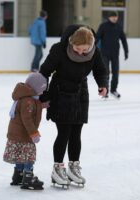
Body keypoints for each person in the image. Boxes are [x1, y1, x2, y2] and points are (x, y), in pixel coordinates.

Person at [39, 25, 108, 188]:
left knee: (76, 133)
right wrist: (43, 94)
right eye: (77, 48)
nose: (79, 52)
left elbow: (101, 70)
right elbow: (44, 71)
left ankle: (73, 167)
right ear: (71, 42)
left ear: (90, 45)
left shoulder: (94, 52)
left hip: (80, 93)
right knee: (64, 133)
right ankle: (57, 168)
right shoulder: (59, 49)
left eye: (84, 49)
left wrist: (103, 84)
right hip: (60, 93)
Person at [3, 72, 48, 190]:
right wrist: (34, 133)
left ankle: (18, 175)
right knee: (29, 155)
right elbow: (27, 118)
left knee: (20, 155)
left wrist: (42, 105)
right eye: (42, 89)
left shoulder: (27, 98)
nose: (43, 92)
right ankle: (28, 177)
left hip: (16, 133)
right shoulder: (28, 101)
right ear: (35, 88)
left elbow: (31, 108)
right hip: (24, 134)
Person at [96, 11, 128, 99]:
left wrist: (126, 51)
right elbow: (97, 37)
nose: (114, 18)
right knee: (105, 73)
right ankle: (104, 91)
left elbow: (123, 40)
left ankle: (113, 90)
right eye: (112, 16)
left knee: (116, 73)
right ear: (109, 17)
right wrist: (93, 49)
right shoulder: (103, 26)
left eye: (116, 16)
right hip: (104, 54)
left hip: (115, 54)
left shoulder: (119, 27)